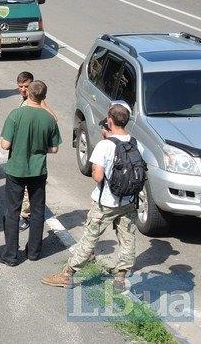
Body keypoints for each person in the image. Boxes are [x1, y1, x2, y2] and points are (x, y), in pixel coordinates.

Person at [42, 102, 141, 290]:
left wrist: (99, 166)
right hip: (129, 200)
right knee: (127, 238)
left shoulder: (105, 145)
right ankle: (121, 277)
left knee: (90, 237)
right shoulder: (134, 143)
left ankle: (68, 273)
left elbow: (98, 176)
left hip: (106, 202)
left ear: (110, 121)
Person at [0, 81, 61, 267]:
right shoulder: (49, 119)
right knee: (37, 210)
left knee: (12, 212)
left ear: (28, 94)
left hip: (16, 169)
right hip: (38, 170)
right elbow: (54, 148)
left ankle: (10, 254)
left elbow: (5, 145)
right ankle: (34, 252)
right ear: (44, 97)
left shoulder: (16, 114)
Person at [15, 71, 58, 231]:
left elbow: (53, 119)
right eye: (20, 86)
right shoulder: (24, 101)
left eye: (27, 86)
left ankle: (26, 216)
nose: (23, 89)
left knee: (28, 188)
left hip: (32, 155)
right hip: (23, 153)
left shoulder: (37, 104)